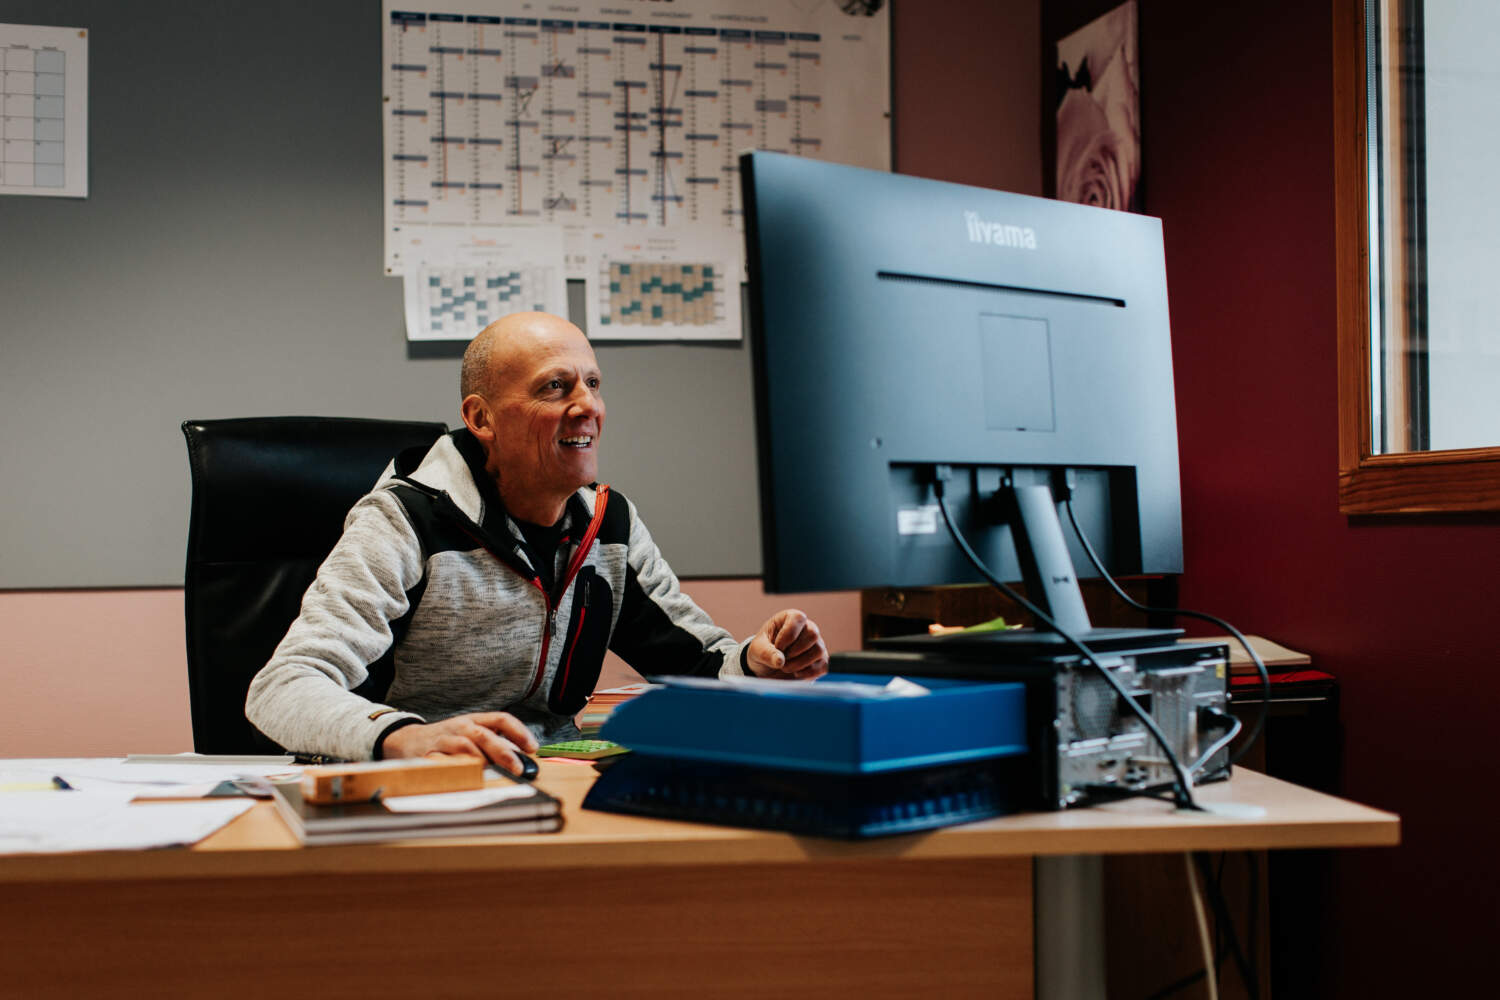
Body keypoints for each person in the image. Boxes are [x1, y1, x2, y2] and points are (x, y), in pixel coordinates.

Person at [246, 311, 829, 774]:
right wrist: (409, 737)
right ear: (481, 418)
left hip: (550, 775)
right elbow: (283, 686)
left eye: (593, 384)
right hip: (423, 783)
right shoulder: (404, 522)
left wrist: (759, 661)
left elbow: (699, 662)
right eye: (556, 387)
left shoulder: (610, 523)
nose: (588, 407)